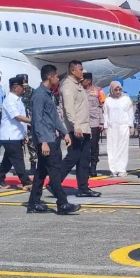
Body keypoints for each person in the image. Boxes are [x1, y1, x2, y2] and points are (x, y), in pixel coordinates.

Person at [27, 64, 80, 215]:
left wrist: (65, 132)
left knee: (41, 173)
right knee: (54, 171)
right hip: (46, 140)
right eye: (57, 76)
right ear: (50, 77)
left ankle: (34, 203)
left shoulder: (48, 94)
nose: (58, 78)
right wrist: (43, 141)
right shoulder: (39, 96)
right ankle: (62, 203)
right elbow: (36, 120)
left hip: (51, 137)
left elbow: (54, 117)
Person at [59, 60, 99, 197]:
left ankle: (83, 188)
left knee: (84, 160)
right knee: (72, 158)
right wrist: (75, 126)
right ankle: (54, 182)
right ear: (73, 71)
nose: (83, 72)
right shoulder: (68, 86)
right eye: (80, 69)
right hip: (76, 129)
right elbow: (69, 109)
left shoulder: (78, 85)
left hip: (84, 128)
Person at [0, 77, 32, 190]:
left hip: (16, 135)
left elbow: (21, 120)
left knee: (8, 160)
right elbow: (17, 117)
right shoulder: (9, 100)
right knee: (18, 159)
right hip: (10, 136)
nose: (24, 89)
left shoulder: (18, 100)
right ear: (15, 87)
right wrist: (32, 121)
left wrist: (24, 134)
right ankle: (26, 182)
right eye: (22, 87)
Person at [103, 81, 135, 177]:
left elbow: (130, 114)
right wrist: (105, 127)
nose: (118, 91)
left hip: (123, 126)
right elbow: (105, 115)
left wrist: (131, 126)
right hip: (111, 127)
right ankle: (113, 169)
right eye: (116, 89)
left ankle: (121, 169)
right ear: (112, 90)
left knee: (122, 148)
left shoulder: (126, 99)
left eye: (119, 89)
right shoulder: (108, 100)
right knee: (111, 148)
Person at [82, 73, 105, 177]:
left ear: (89, 81)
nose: (82, 82)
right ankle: (85, 167)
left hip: (94, 122)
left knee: (94, 146)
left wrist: (102, 121)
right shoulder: (79, 90)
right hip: (82, 122)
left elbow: (103, 106)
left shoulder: (98, 90)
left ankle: (93, 166)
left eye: (84, 80)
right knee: (83, 146)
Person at [17, 74, 37, 178]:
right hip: (19, 122)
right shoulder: (16, 93)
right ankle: (19, 167)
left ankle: (33, 166)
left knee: (31, 145)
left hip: (29, 121)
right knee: (19, 146)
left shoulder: (32, 92)